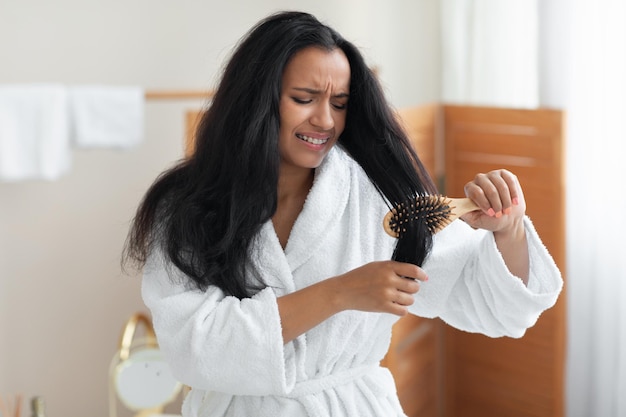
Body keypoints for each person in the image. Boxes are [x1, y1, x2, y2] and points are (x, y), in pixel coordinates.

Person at [123, 10, 563, 417]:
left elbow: (488, 303)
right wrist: (340, 292)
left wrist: (508, 234)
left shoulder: (379, 196)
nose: (325, 120)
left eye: (339, 103)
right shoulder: (187, 207)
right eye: (304, 98)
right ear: (257, 99)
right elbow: (193, 347)